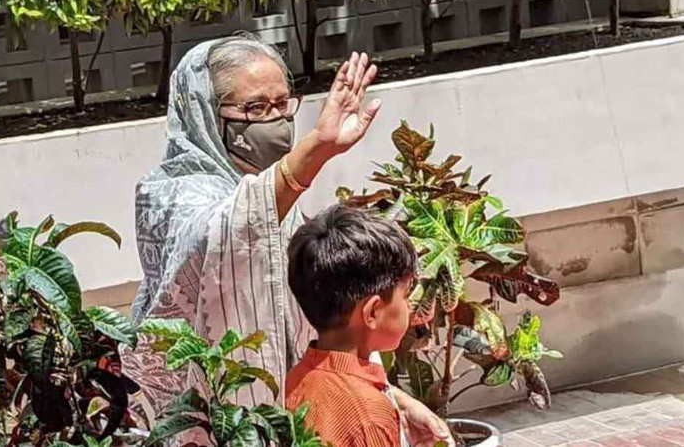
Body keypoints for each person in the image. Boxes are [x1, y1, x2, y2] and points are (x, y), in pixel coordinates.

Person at [124, 32, 451, 444]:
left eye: (283, 104)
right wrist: (318, 148)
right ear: (205, 113)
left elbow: (322, 327)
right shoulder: (170, 193)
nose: (277, 121)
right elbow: (225, 234)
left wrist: (391, 399)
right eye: (256, 108)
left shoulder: (278, 201)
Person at [286, 204, 455, 447]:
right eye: (405, 295)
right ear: (373, 312)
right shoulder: (370, 418)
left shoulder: (297, 378)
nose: (409, 306)